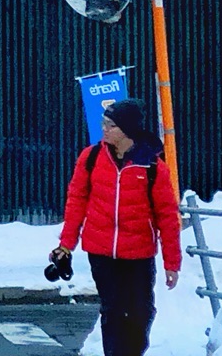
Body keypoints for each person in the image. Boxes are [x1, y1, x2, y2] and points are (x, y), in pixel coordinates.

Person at [50, 98, 180, 356]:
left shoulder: (153, 167)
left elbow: (167, 216)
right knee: (113, 310)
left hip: (138, 253)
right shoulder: (91, 157)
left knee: (141, 312)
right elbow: (76, 200)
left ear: (127, 130)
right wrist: (66, 245)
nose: (104, 129)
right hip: (101, 251)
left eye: (111, 125)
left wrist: (171, 263)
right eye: (104, 123)